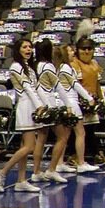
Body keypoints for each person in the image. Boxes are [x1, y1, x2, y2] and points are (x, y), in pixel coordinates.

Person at [0, 37, 45, 193]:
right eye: (24, 47)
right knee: (30, 146)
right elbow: (28, 88)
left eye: (30, 47)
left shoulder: (28, 66)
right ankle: (2, 172)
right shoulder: (16, 66)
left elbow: (35, 88)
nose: (28, 49)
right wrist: (40, 106)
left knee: (25, 145)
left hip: (32, 106)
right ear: (18, 50)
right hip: (25, 106)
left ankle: (21, 180)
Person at [56, 42, 99, 173]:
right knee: (81, 133)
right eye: (69, 51)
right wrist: (89, 98)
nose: (73, 53)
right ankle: (81, 163)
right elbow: (75, 84)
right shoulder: (66, 68)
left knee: (65, 135)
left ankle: (59, 162)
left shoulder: (62, 67)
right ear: (64, 54)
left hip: (65, 103)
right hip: (71, 103)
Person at [71, 21, 105, 165]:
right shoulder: (74, 63)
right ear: (77, 50)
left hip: (92, 103)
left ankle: (94, 155)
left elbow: (97, 84)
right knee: (79, 132)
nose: (86, 52)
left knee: (90, 130)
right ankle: (75, 156)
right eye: (83, 49)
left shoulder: (94, 64)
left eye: (89, 49)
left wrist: (100, 101)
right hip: (78, 103)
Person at [33, 39, 68, 185]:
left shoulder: (36, 65)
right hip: (50, 106)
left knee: (41, 139)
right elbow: (58, 87)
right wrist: (69, 105)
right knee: (62, 137)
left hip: (40, 106)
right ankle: (52, 169)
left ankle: (36, 172)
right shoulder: (48, 66)